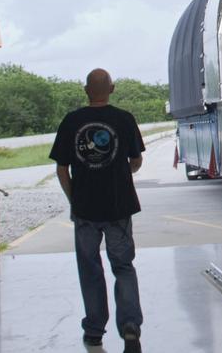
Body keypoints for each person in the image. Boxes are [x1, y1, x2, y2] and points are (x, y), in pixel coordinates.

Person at [51, 68, 146, 351]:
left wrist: (74, 198)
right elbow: (137, 161)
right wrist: (118, 173)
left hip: (85, 209)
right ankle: (130, 325)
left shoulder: (72, 121)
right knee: (123, 266)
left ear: (85, 90)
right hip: (119, 207)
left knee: (90, 269)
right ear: (113, 89)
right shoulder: (125, 119)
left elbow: (61, 168)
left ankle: (94, 330)